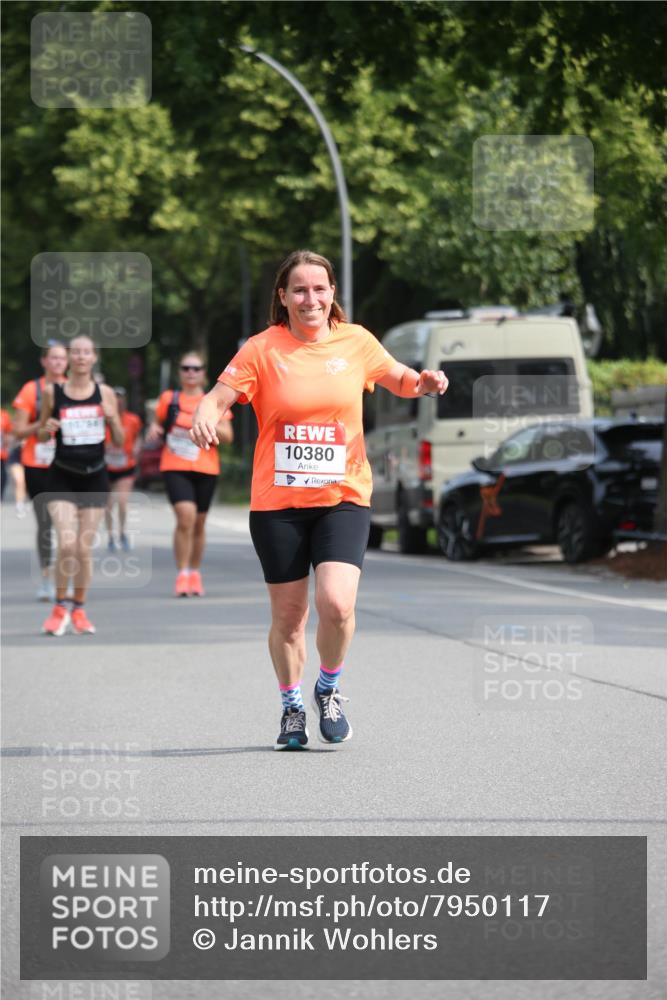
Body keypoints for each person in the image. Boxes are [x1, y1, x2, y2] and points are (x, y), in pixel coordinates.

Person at [190, 249, 448, 750]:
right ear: (283, 298)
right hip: (277, 503)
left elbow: (400, 378)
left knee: (336, 603)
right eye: (300, 290)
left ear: (332, 294)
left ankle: (328, 688)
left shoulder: (356, 342)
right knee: (289, 619)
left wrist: (426, 383)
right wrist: (204, 412)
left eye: (320, 289)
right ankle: (291, 708)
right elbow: (217, 397)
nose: (311, 298)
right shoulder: (262, 349)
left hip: (343, 496)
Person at [37, 335, 124, 635]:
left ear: (94, 357)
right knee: (67, 542)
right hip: (61, 475)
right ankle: (60, 605)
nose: (80, 357)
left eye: (86, 352)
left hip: (95, 477)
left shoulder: (106, 393)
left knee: (83, 549)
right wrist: (44, 429)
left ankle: (79, 608)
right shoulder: (53, 391)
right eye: (75, 352)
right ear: (69, 358)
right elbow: (38, 433)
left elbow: (122, 441)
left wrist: (113, 421)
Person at [147, 351, 233, 597]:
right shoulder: (169, 399)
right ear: (179, 372)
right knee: (186, 517)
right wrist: (154, 428)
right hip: (174, 465)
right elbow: (158, 424)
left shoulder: (212, 400)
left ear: (204, 373)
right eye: (186, 368)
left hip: (206, 467)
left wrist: (205, 425)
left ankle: (194, 572)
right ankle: (182, 573)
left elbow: (228, 436)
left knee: (199, 523)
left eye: (196, 368)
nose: (191, 373)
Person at [11, 341, 69, 599]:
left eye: (61, 358)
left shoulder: (74, 389)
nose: (57, 363)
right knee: (46, 524)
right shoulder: (30, 390)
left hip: (68, 463)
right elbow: (18, 431)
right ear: (44, 361)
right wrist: (43, 424)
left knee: (65, 524)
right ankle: (47, 577)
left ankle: (63, 577)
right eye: (53, 358)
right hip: (37, 464)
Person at [104, 387, 142, 551]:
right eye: (115, 398)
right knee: (108, 504)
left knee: (122, 502)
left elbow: (138, 437)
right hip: (106, 467)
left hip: (126, 466)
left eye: (120, 398)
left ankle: (122, 533)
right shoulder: (103, 420)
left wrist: (136, 448)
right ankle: (111, 536)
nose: (118, 401)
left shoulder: (133, 419)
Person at [0, 408, 11, 500]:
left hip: (1, 452)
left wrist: (6, 443)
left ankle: (0, 496)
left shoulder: (3, 414)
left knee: (2, 473)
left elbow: (8, 432)